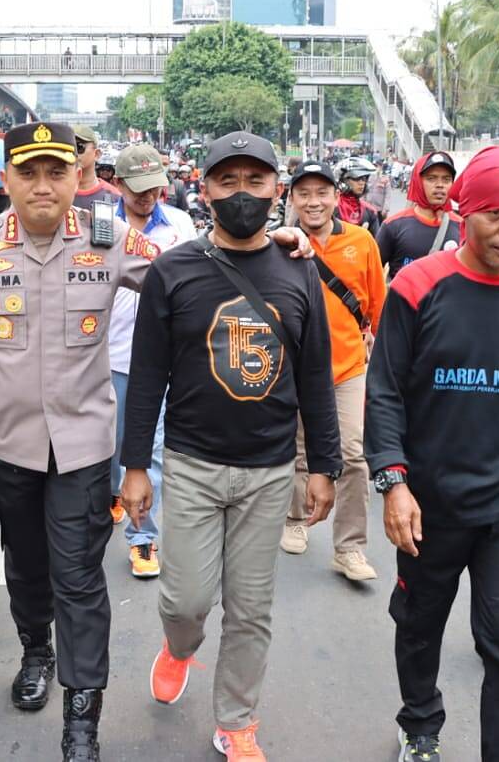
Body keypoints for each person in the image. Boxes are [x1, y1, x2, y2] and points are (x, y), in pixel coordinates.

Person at [0, 121, 160, 762]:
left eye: (58, 172)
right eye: (29, 173)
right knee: (25, 563)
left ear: (78, 176)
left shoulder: (110, 241)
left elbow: (183, 280)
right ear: (7, 179)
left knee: (78, 576)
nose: (44, 186)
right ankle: (35, 651)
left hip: (84, 445)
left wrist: (272, 244)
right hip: (8, 445)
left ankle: (82, 721)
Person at [122, 132, 340, 762]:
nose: (241, 194)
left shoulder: (299, 269)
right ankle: (178, 646)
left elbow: (316, 375)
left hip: (269, 472)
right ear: (205, 189)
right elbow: (147, 376)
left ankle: (236, 721)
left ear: (278, 188)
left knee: (251, 608)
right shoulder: (173, 271)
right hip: (190, 464)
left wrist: (322, 465)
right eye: (227, 181)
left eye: (255, 180)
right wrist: (136, 466)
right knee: (186, 600)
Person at [366, 146, 499, 762]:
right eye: (495, 214)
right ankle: (420, 725)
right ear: (464, 209)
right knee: (419, 625)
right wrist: (394, 482)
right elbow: (386, 390)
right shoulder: (420, 284)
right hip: (429, 502)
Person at [280, 161, 386, 582]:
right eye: (303, 193)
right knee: (297, 449)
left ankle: (350, 548)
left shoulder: (361, 242)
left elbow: (379, 305)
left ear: (334, 195)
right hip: (293, 370)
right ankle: (295, 518)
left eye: (321, 192)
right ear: (292, 199)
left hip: (347, 368)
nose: (313, 202)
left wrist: (386, 362)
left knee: (353, 457)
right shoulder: (280, 245)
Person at [107, 144, 196, 578]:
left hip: (162, 357)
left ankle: (143, 538)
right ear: (117, 184)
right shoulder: (101, 226)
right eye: (137, 189)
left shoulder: (180, 224)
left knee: (149, 451)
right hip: (111, 355)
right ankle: (112, 492)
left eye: (154, 188)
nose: (146, 198)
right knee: (111, 444)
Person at [376, 152, 462, 279]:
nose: (440, 185)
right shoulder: (393, 226)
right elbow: (372, 274)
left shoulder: (463, 227)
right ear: (418, 182)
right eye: (431, 178)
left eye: (446, 179)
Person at [73, 125, 120, 211]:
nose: (74, 154)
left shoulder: (115, 197)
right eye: (69, 148)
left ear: (97, 154)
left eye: (79, 147)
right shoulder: (56, 195)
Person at [335, 157, 381, 236]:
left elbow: (376, 244)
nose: (361, 183)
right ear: (343, 180)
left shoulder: (370, 211)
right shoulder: (332, 208)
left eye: (364, 179)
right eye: (357, 178)